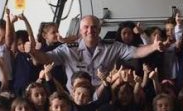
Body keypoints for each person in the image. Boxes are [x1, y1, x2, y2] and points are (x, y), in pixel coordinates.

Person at [30, 15, 165, 90]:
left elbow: (136, 52)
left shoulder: (112, 47)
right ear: (80, 31)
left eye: (94, 27)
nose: (90, 30)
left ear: (99, 30)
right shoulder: (69, 48)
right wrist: (32, 51)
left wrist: (153, 47)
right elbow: (46, 58)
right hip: (76, 99)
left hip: (103, 97)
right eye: (86, 27)